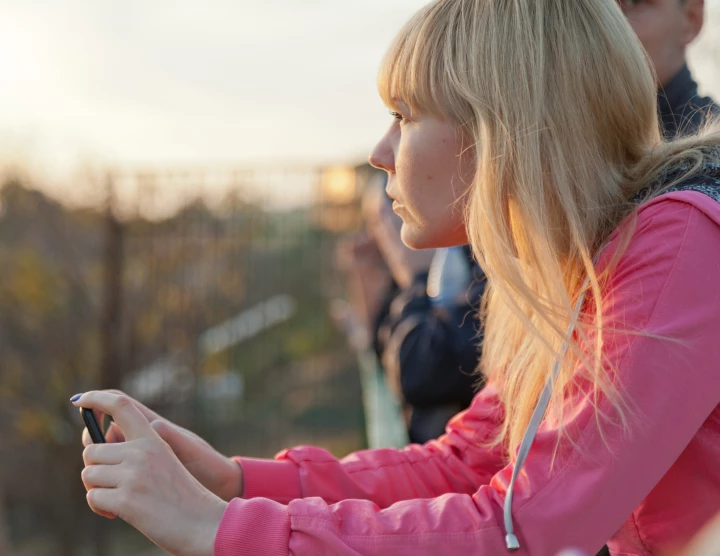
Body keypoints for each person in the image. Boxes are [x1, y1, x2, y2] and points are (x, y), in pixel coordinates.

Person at [72, 0, 720, 554]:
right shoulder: (581, 258)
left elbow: (527, 528)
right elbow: (470, 461)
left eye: (405, 115)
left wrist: (221, 529)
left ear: (501, 126)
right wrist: (237, 484)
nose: (380, 153)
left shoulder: (680, 244)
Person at [369, 0, 718, 446]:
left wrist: (413, 282)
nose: (600, 21)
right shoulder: (533, 214)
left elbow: (542, 500)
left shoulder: (680, 223)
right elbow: (476, 453)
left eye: (629, 6)